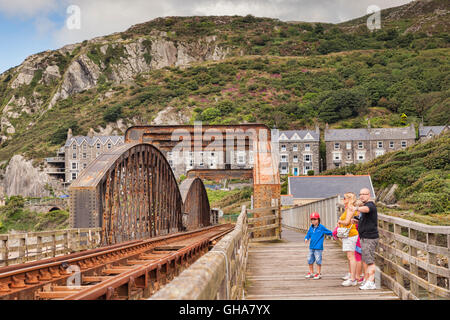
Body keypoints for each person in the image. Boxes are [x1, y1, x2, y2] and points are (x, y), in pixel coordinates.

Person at [351, 188, 379, 290]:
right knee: (366, 260)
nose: (362, 196)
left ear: (369, 195)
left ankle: (371, 282)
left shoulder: (370, 205)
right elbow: (365, 218)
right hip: (364, 237)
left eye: (364, 194)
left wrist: (356, 208)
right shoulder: (364, 206)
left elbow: (366, 209)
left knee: (370, 261)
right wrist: (356, 221)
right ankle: (367, 280)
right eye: (360, 194)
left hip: (369, 238)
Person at [337, 192, 359, 286]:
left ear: (349, 199)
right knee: (350, 257)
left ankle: (353, 279)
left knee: (351, 257)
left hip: (351, 235)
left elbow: (346, 222)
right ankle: (351, 275)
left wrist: (339, 221)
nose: (343, 200)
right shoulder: (349, 208)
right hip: (349, 235)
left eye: (345, 198)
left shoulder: (350, 208)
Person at [304, 212, 333, 280]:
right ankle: (311, 272)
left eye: (315, 219)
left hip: (318, 247)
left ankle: (318, 273)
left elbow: (328, 232)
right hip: (311, 247)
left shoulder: (321, 227)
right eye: (312, 219)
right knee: (310, 259)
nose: (313, 221)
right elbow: (308, 234)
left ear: (318, 219)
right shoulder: (311, 228)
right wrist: (306, 238)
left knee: (318, 260)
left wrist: (334, 234)